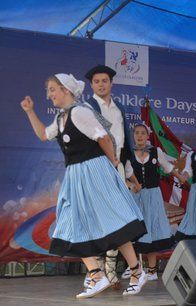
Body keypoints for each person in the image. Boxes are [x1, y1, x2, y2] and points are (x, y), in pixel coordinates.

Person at [20, 74, 147, 297]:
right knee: (71, 222)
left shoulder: (80, 112)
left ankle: (136, 271)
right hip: (75, 175)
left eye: (52, 90)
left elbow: (104, 138)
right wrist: (30, 111)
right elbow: (43, 135)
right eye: (48, 90)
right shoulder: (61, 118)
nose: (49, 95)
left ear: (66, 90)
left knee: (112, 221)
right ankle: (96, 275)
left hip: (94, 170)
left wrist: (112, 163)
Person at [84, 64, 135, 287]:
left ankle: (111, 270)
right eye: (97, 81)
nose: (101, 84)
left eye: (105, 81)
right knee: (96, 219)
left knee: (117, 219)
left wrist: (125, 171)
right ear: (91, 85)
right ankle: (94, 273)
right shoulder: (87, 108)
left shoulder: (119, 109)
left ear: (111, 83)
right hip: (96, 167)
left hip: (117, 168)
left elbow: (125, 144)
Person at [123, 123, 185, 280]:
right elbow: (123, 174)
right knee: (135, 230)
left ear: (147, 135)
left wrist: (181, 177)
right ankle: (134, 267)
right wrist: (131, 185)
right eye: (137, 133)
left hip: (153, 196)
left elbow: (168, 168)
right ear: (133, 136)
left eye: (142, 133)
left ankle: (151, 270)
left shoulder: (156, 152)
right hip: (136, 197)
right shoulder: (129, 154)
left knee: (152, 230)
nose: (139, 136)